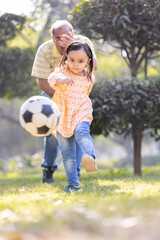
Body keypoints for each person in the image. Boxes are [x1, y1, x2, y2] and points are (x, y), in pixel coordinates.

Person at [31, 20, 97, 184]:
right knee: (54, 134)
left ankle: (76, 173)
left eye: (66, 36)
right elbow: (43, 82)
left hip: (78, 95)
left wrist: (74, 99)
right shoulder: (45, 50)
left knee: (78, 131)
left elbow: (93, 68)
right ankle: (48, 169)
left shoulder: (84, 43)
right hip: (54, 94)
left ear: (73, 35)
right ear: (53, 39)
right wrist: (64, 98)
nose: (62, 40)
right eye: (58, 37)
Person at [48, 41, 97, 192]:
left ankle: (90, 157)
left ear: (88, 61)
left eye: (81, 61)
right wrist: (61, 80)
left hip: (81, 111)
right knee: (68, 154)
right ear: (66, 58)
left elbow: (85, 94)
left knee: (82, 133)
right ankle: (73, 185)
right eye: (72, 60)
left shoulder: (89, 77)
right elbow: (51, 79)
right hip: (62, 115)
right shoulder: (62, 73)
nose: (75, 64)